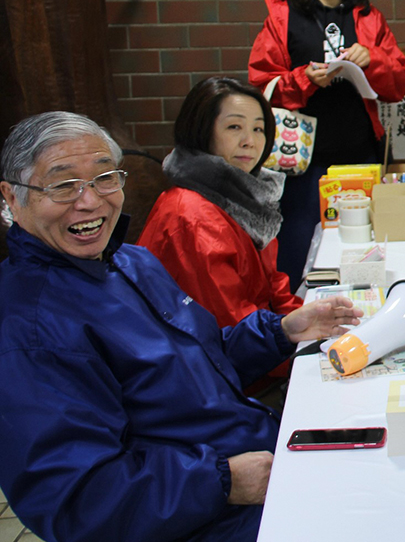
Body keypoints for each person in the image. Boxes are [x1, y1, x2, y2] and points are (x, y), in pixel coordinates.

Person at [0, 112, 362, 542]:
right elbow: (76, 502)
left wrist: (280, 330)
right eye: (63, 185)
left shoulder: (129, 262)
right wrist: (222, 482)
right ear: (12, 197)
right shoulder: (30, 329)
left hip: (249, 455)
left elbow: (197, 359)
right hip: (204, 517)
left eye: (104, 178)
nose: (90, 201)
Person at [248, 0, 405, 287]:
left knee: (361, 250)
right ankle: (295, 329)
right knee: (297, 249)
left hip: (359, 154)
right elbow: (262, 86)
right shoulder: (284, 16)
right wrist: (304, 79)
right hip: (301, 162)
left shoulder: (368, 17)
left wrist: (374, 59)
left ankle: (363, 316)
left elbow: (399, 83)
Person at [138, 77, 301, 395]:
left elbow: (274, 289)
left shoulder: (247, 195)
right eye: (233, 128)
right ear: (202, 132)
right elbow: (228, 329)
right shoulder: (193, 216)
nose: (250, 142)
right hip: (218, 385)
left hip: (259, 357)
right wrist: (301, 353)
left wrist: (314, 329)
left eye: (258, 129)